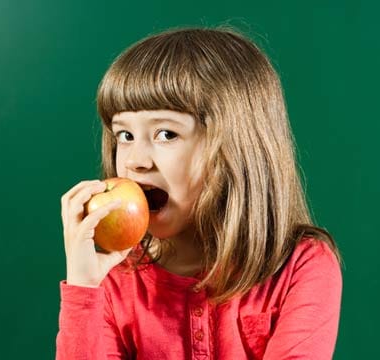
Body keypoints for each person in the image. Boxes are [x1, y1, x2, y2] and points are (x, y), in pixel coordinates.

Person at [56, 26, 343, 360]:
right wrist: (83, 287)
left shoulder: (300, 266)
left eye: (165, 134)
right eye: (125, 135)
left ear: (234, 146)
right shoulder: (114, 277)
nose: (135, 161)